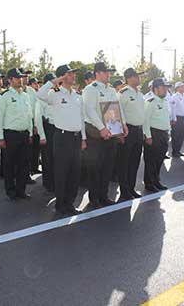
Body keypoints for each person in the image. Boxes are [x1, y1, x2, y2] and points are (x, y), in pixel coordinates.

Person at [37, 64, 86, 215]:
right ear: (63, 76)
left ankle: (70, 203)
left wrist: (83, 138)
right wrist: (55, 81)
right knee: (61, 172)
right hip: (62, 137)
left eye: (73, 74)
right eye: (70, 74)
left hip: (76, 138)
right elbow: (39, 94)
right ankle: (60, 204)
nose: (73, 76)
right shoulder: (55, 94)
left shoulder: (77, 95)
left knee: (74, 172)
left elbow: (81, 118)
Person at [82, 62, 128, 208]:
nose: (109, 74)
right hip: (96, 134)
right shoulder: (90, 89)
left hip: (111, 133)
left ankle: (104, 195)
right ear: (97, 73)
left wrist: (123, 125)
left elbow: (116, 108)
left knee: (107, 167)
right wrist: (102, 128)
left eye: (109, 72)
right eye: (106, 72)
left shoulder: (110, 90)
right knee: (95, 167)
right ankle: (94, 198)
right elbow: (90, 110)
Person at [0, 68, 33, 201]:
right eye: (17, 78)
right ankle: (11, 191)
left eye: (21, 77)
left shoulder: (25, 96)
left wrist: (29, 132)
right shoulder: (4, 96)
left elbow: (29, 116)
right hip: (10, 135)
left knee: (24, 164)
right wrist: (0, 137)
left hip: (23, 134)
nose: (21, 80)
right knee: (9, 165)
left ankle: (21, 190)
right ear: (10, 80)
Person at [116, 68, 145, 201]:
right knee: (124, 162)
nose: (139, 78)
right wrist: (119, 132)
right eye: (136, 76)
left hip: (138, 130)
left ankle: (131, 188)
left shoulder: (140, 93)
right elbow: (116, 112)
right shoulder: (123, 93)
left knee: (135, 161)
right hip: (127, 131)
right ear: (129, 78)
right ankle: (124, 190)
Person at [143, 78, 171, 192]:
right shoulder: (150, 102)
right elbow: (145, 120)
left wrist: (168, 132)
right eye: (163, 88)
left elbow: (165, 119)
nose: (166, 90)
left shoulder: (164, 102)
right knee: (151, 160)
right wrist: (148, 136)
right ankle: (149, 183)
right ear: (156, 89)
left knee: (159, 159)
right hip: (154, 134)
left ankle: (156, 180)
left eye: (166, 88)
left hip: (163, 134)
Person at [27, 77, 42, 175]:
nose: (37, 85)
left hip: (36, 120)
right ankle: (29, 169)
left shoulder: (34, 92)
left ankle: (35, 167)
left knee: (36, 146)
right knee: (29, 147)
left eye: (38, 83)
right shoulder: (28, 92)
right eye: (35, 83)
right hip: (28, 120)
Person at [169, 81, 184, 158]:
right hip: (177, 118)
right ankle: (174, 151)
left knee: (182, 135)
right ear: (177, 88)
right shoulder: (174, 97)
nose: (183, 88)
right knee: (175, 136)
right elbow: (173, 109)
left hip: (183, 118)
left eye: (183, 86)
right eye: (181, 86)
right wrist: (174, 119)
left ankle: (178, 150)